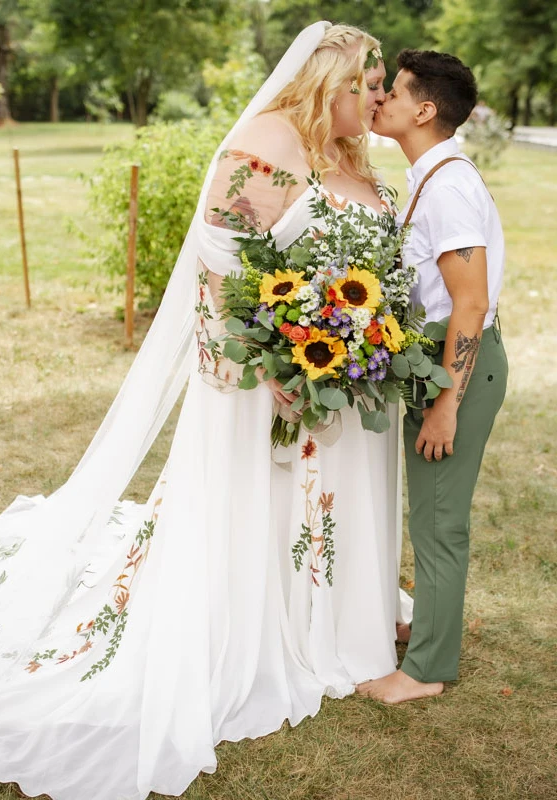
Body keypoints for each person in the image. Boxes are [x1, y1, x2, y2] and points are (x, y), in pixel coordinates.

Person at [0, 22, 407, 799]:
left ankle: (328, 613)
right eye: (367, 88)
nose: (378, 100)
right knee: (252, 507)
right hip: (260, 378)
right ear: (331, 86)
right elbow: (218, 269)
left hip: (340, 365)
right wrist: (270, 365)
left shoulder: (346, 153)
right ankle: (263, 628)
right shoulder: (265, 141)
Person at [359, 50, 508, 704]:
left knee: (440, 520)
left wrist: (447, 401)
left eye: (391, 91)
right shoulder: (429, 175)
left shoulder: (448, 185)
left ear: (424, 109)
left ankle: (425, 672)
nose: (379, 100)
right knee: (429, 512)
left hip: (457, 368)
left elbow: (469, 302)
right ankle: (426, 637)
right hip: (434, 363)